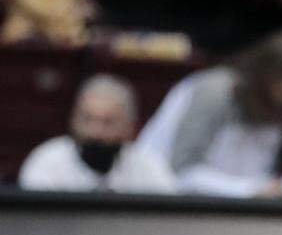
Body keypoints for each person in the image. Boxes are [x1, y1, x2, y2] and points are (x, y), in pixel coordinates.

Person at [137, 29, 282, 197]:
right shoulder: (215, 92)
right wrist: (251, 189)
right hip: (159, 198)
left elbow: (259, 172)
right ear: (277, 74)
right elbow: (180, 170)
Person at [19, 74, 176, 194]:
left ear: (129, 128)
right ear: (73, 121)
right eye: (87, 120)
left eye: (108, 122)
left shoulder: (147, 165)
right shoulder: (47, 162)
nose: (96, 132)